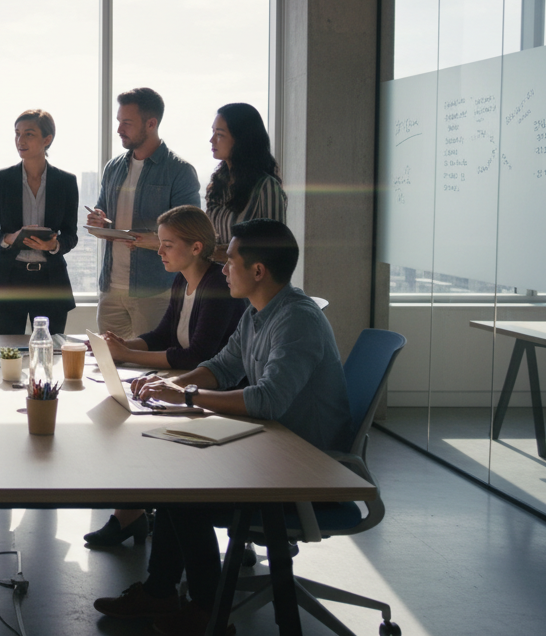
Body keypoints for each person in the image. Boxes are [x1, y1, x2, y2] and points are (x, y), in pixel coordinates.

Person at [93, 219, 352, 636]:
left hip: (306, 468)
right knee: (171, 475)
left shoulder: (296, 321)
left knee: (182, 494)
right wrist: (171, 385)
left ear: (257, 271)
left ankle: (206, 611)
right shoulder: (258, 312)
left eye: (230, 259)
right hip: (274, 447)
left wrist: (188, 397)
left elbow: (268, 400)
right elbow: (222, 366)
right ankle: (165, 593)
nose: (223, 266)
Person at [83, 205, 246, 548]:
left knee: (139, 429)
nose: (159, 251)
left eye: (168, 244)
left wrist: (128, 355)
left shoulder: (217, 285)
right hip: (191, 380)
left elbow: (197, 354)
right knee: (127, 419)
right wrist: (124, 345)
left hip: (218, 393)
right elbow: (162, 336)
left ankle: (130, 518)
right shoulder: (181, 280)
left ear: (196, 247)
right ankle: (130, 516)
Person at [87, 88, 201, 340]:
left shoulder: (179, 171)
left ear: (151, 124)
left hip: (155, 292)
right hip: (111, 290)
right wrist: (97, 218)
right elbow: (102, 211)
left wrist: (150, 240)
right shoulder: (113, 167)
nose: (119, 129)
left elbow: (192, 235)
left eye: (126, 123)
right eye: (118, 122)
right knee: (109, 365)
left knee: (150, 371)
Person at [0, 109, 80, 335]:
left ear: (47, 139)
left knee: (50, 352)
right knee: (5, 353)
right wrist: (9, 239)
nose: (20, 140)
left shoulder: (66, 182)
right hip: (8, 279)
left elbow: (70, 235)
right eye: (17, 134)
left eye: (29, 134)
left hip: (50, 281)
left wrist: (53, 246)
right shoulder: (1, 179)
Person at [205, 102, 286, 259]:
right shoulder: (216, 185)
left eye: (220, 134)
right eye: (213, 132)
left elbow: (276, 250)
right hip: (215, 278)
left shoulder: (265, 187)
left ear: (241, 139)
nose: (212, 140)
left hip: (248, 281)